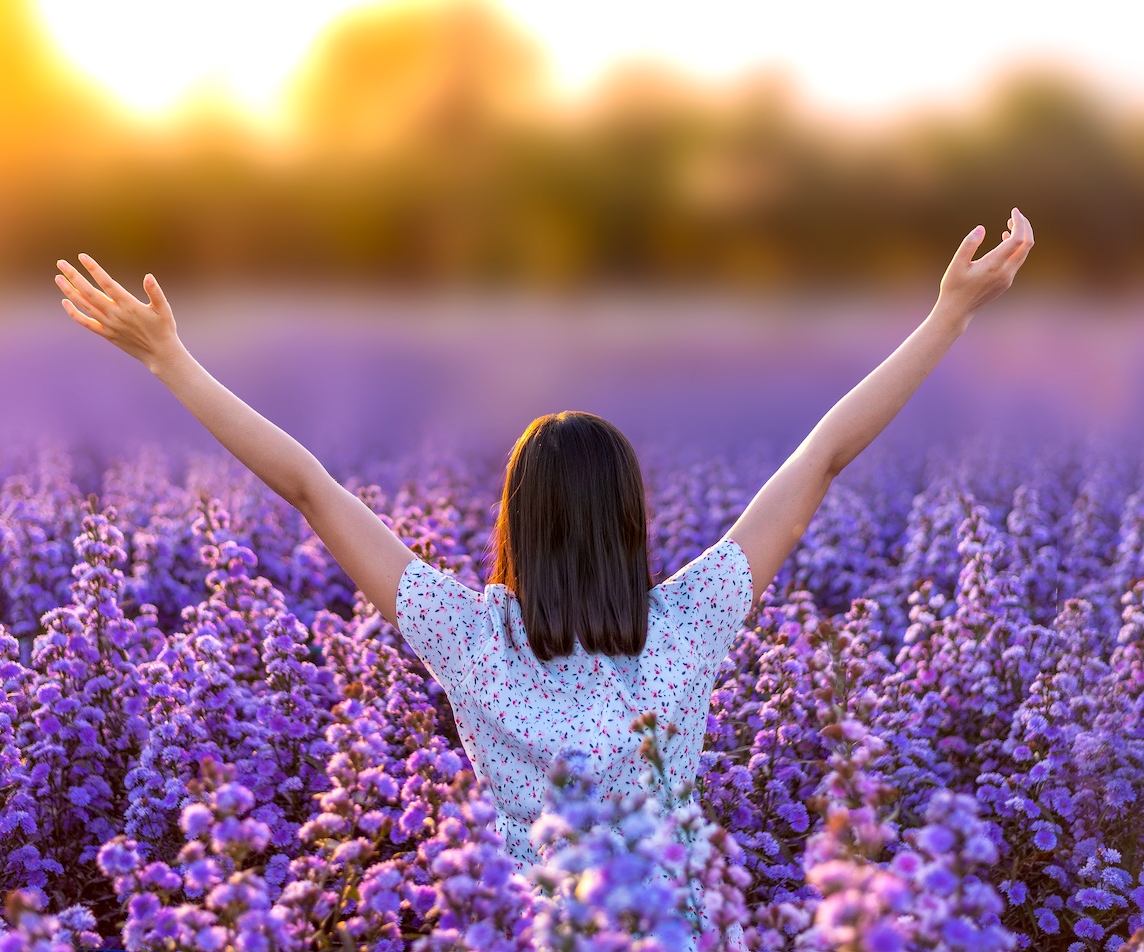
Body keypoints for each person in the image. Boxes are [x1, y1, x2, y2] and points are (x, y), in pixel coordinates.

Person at [53, 207, 1033, 944]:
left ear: (513, 523)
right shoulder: (685, 626)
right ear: (632, 524)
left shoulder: (470, 638)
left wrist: (171, 361)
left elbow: (309, 486)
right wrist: (949, 314)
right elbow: (822, 456)